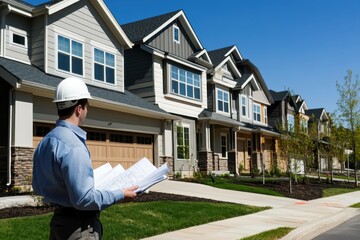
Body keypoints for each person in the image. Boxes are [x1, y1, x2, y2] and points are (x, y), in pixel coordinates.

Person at [32, 77, 138, 240]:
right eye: (87, 105)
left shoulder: (46, 141)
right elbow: (83, 199)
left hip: (59, 224)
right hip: (79, 227)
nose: (87, 110)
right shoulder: (74, 146)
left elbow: (38, 186)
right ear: (79, 109)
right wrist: (120, 194)